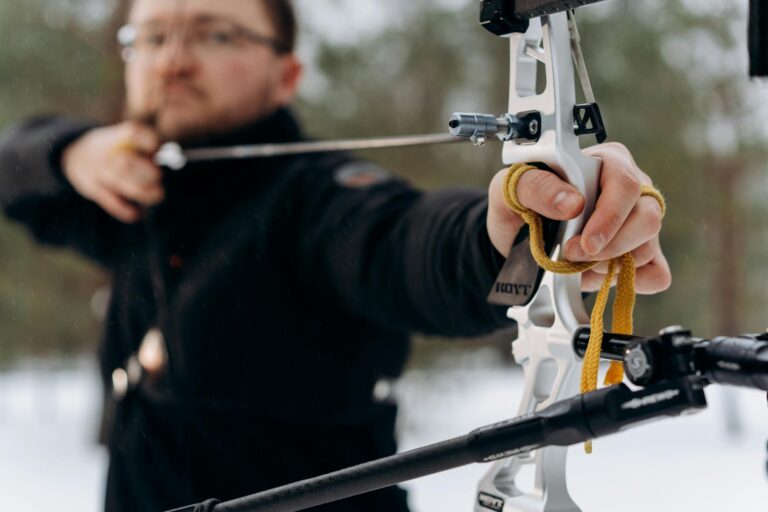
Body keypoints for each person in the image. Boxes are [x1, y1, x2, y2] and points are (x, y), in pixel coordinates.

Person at [0, 0, 670, 510]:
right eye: (149, 37)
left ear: (287, 74)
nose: (172, 59)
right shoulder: (133, 197)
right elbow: (11, 171)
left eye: (216, 33)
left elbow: (410, 246)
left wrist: (523, 231)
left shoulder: (318, 201)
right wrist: (69, 154)